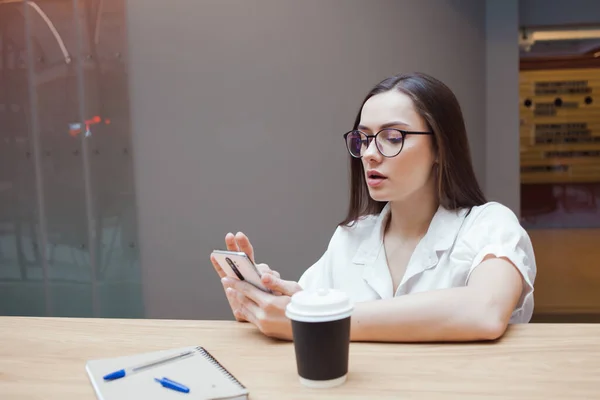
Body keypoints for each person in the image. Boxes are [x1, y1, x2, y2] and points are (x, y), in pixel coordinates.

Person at [210, 72, 536, 343]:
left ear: (441, 147)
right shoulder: (351, 237)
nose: (369, 154)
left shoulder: (489, 224)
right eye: (363, 138)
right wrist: (265, 299)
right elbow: (303, 306)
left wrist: (315, 319)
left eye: (392, 137)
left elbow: (485, 310)